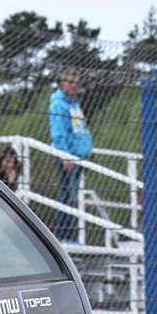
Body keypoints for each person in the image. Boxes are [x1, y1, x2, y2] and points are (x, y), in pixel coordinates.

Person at [48, 67, 94, 241]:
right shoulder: (58, 104)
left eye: (77, 82)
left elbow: (80, 129)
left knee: (72, 196)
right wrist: (64, 154)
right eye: (70, 82)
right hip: (68, 156)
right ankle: (62, 234)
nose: (74, 85)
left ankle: (68, 234)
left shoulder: (75, 104)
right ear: (62, 84)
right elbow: (58, 132)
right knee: (68, 195)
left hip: (79, 156)